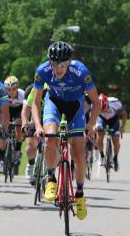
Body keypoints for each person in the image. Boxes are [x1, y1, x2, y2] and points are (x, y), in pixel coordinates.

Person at [30, 41, 100, 220]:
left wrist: (90, 126)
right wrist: (38, 126)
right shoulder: (42, 71)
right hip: (54, 104)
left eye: (62, 64)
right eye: (54, 64)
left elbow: (96, 102)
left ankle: (80, 194)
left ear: (69, 62)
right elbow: (36, 103)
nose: (58, 68)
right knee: (50, 138)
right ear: (49, 62)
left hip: (75, 107)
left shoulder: (81, 72)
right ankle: (51, 178)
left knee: (78, 152)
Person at [95, 93, 126, 171]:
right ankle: (102, 156)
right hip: (101, 119)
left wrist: (122, 127)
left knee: (116, 140)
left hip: (114, 119)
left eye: (105, 110)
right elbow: (92, 116)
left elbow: (124, 114)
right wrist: (93, 126)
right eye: (102, 110)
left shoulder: (116, 103)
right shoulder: (95, 104)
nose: (104, 111)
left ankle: (115, 158)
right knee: (99, 134)